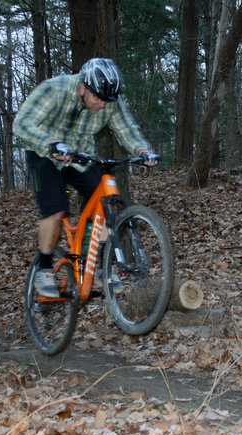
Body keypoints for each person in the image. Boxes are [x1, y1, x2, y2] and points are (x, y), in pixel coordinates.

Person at [13, 57, 159, 298]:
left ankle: (96, 266)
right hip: (44, 153)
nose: (102, 105)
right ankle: (44, 267)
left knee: (104, 199)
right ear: (83, 87)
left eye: (107, 100)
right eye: (98, 98)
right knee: (56, 210)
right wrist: (49, 143)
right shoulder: (54, 90)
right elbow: (22, 123)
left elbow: (127, 129)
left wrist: (142, 150)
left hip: (79, 155)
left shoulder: (109, 101)